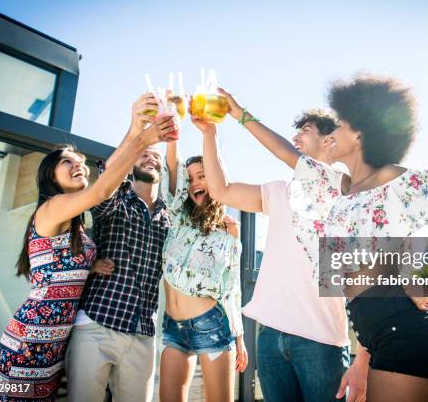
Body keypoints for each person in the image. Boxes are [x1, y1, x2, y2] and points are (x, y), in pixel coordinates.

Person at [288, 74, 428, 401]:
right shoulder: (349, 193)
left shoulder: (392, 179)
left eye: (339, 124)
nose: (332, 132)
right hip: (380, 336)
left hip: (406, 335)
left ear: (360, 132)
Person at [0, 92, 175, 402]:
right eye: (68, 161)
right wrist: (142, 135)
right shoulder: (51, 208)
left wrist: (89, 265)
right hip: (29, 338)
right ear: (49, 174)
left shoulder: (77, 226)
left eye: (80, 161)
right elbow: (106, 186)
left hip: (56, 341)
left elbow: (61, 264)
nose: (79, 165)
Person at [193, 91, 370, 402]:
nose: (296, 137)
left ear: (329, 142)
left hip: (321, 341)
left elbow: (285, 153)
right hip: (270, 336)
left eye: (305, 131)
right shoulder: (279, 192)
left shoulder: (343, 189)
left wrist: (239, 113)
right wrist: (210, 134)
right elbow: (220, 191)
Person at [65, 96, 178, 402]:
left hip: (142, 332)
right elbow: (108, 179)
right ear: (129, 163)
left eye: (154, 154)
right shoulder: (114, 200)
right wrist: (136, 130)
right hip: (97, 325)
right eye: (141, 153)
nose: (149, 157)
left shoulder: (169, 216)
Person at [157, 137, 247, 402]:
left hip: (212, 325)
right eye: (191, 179)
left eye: (203, 176)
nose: (195, 182)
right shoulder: (177, 216)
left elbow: (232, 284)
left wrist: (239, 337)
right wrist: (172, 138)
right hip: (173, 326)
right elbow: (171, 170)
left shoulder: (228, 229)